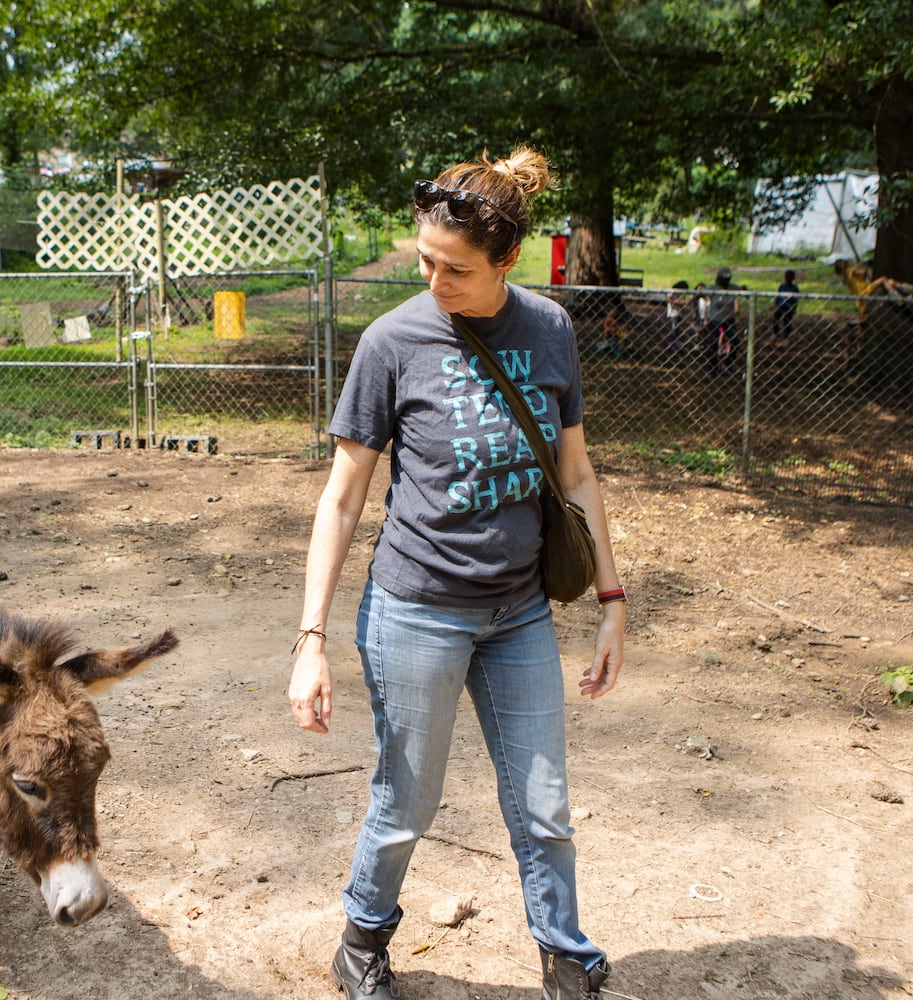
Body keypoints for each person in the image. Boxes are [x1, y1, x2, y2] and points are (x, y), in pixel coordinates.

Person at [287, 144, 624, 1000]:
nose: (436, 283)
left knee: (544, 806)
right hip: (417, 611)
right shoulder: (392, 341)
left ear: (507, 260)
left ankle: (562, 950)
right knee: (407, 802)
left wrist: (614, 599)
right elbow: (342, 496)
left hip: (518, 611)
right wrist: (311, 639)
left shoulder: (548, 329)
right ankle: (361, 940)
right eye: (425, 262)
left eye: (458, 270)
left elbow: (577, 473)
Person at [698, 266, 741, 373]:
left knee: (735, 341)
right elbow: (699, 294)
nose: (726, 281)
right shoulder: (712, 288)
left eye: (727, 279)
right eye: (723, 279)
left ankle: (728, 364)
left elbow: (743, 290)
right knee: (712, 343)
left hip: (728, 319)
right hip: (715, 319)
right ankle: (712, 366)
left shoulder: (733, 288)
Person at [773, 269, 800, 344]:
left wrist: (794, 308)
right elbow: (778, 296)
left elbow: (796, 299)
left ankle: (786, 337)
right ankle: (775, 334)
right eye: (786, 277)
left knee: (787, 322)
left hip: (789, 307)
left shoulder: (794, 288)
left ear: (792, 278)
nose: (787, 279)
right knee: (775, 319)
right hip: (780, 306)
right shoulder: (782, 286)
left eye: (789, 277)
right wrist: (775, 305)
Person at [666, 279, 691, 350]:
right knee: (674, 328)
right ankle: (672, 343)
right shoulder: (673, 291)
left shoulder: (681, 293)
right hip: (673, 313)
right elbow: (669, 299)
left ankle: (676, 342)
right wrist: (680, 302)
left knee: (677, 329)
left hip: (679, 313)